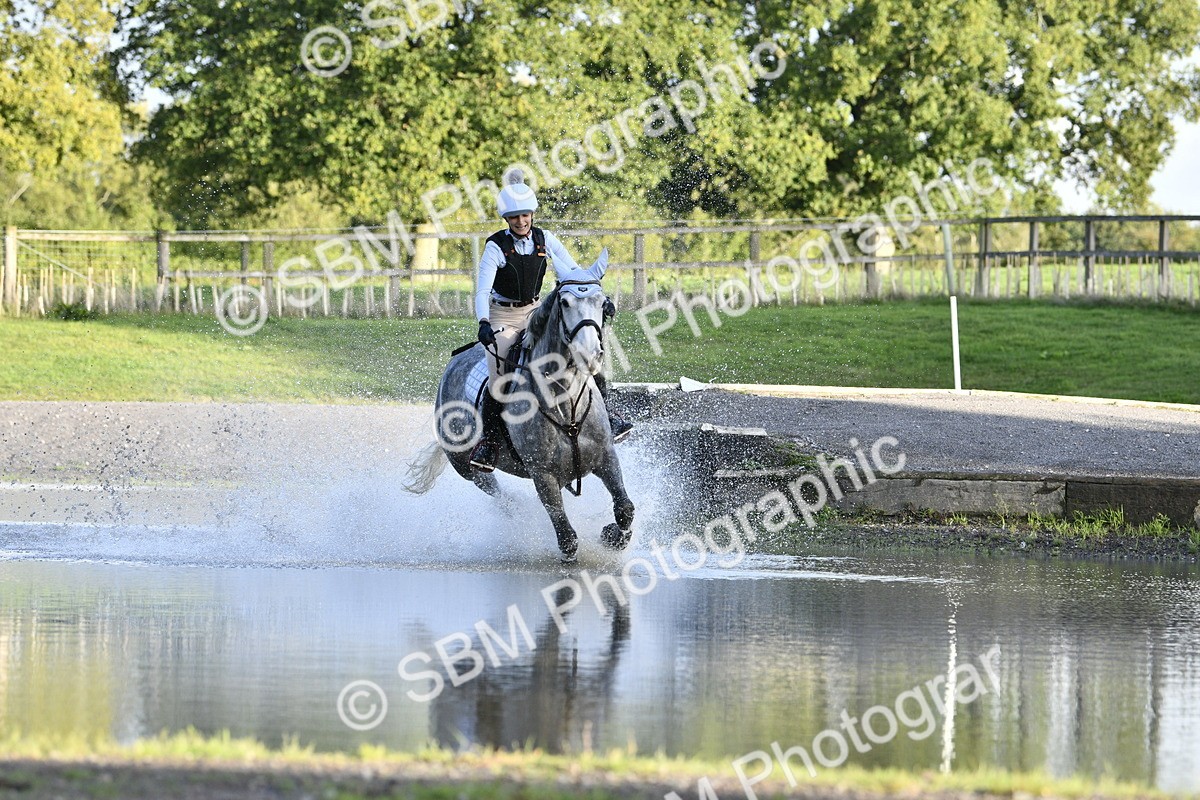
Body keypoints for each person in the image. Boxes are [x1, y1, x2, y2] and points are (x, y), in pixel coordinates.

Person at [469, 169, 633, 472]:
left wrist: (595, 294)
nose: (521, 222)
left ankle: (608, 415)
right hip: (504, 315)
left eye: (526, 216)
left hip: (535, 311)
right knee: (500, 374)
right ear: (506, 220)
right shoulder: (495, 246)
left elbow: (573, 272)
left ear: (532, 214)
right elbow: (481, 290)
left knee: (585, 349)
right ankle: (489, 442)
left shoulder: (546, 239)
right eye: (515, 217)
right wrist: (483, 321)